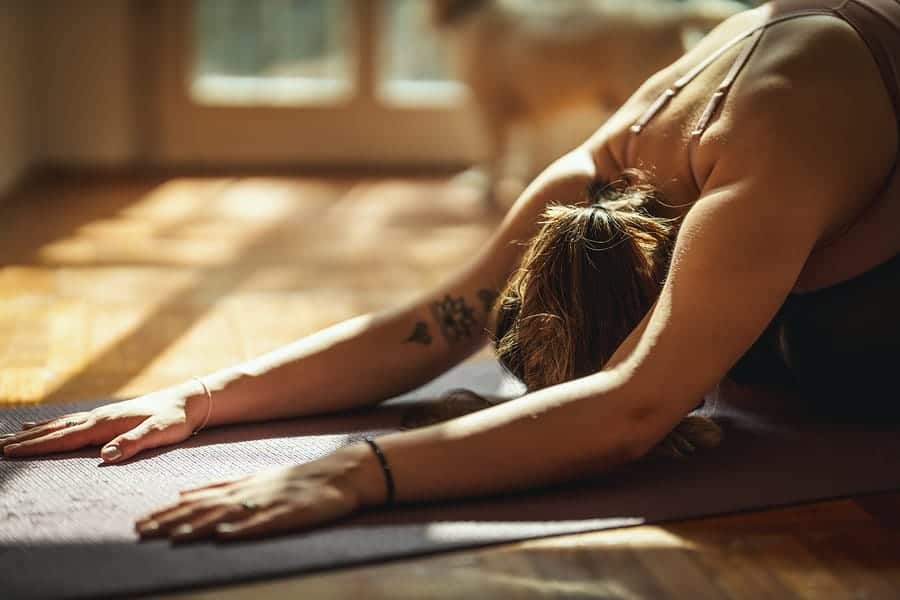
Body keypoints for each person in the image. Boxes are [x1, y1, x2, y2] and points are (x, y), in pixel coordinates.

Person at [2, 0, 898, 542]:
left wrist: (355, 473)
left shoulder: (763, 154)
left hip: (838, 129)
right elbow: (434, 321)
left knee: (833, 364)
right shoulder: (602, 163)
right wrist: (200, 397)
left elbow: (631, 406)